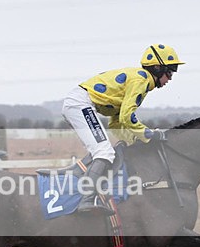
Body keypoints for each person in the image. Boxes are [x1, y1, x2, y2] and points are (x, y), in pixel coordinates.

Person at [62, 44, 185, 214]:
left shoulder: (142, 81)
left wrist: (133, 140)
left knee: (103, 150)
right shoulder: (140, 80)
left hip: (78, 103)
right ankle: (86, 200)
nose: (170, 78)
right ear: (157, 68)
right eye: (169, 72)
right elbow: (128, 117)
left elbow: (117, 121)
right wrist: (149, 135)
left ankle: (90, 192)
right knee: (104, 152)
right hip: (80, 103)